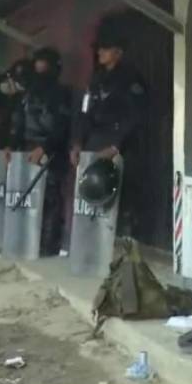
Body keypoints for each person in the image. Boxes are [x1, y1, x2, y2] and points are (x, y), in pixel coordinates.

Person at [70, 32, 146, 236]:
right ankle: (93, 244)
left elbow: (135, 116)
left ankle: (122, 246)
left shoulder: (131, 79)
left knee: (121, 201)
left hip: (121, 148)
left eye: (106, 48)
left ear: (118, 52)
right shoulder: (96, 80)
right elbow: (84, 114)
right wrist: (77, 143)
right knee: (92, 196)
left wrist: (115, 146)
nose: (100, 52)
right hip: (93, 146)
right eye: (99, 48)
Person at [5, 48, 71, 256]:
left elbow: (62, 126)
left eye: (44, 66)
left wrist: (45, 148)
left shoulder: (61, 94)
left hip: (50, 151)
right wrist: (12, 145)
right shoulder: (28, 95)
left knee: (50, 197)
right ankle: (29, 239)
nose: (39, 71)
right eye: (37, 66)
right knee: (30, 197)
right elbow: (20, 122)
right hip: (27, 149)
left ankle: (48, 245)